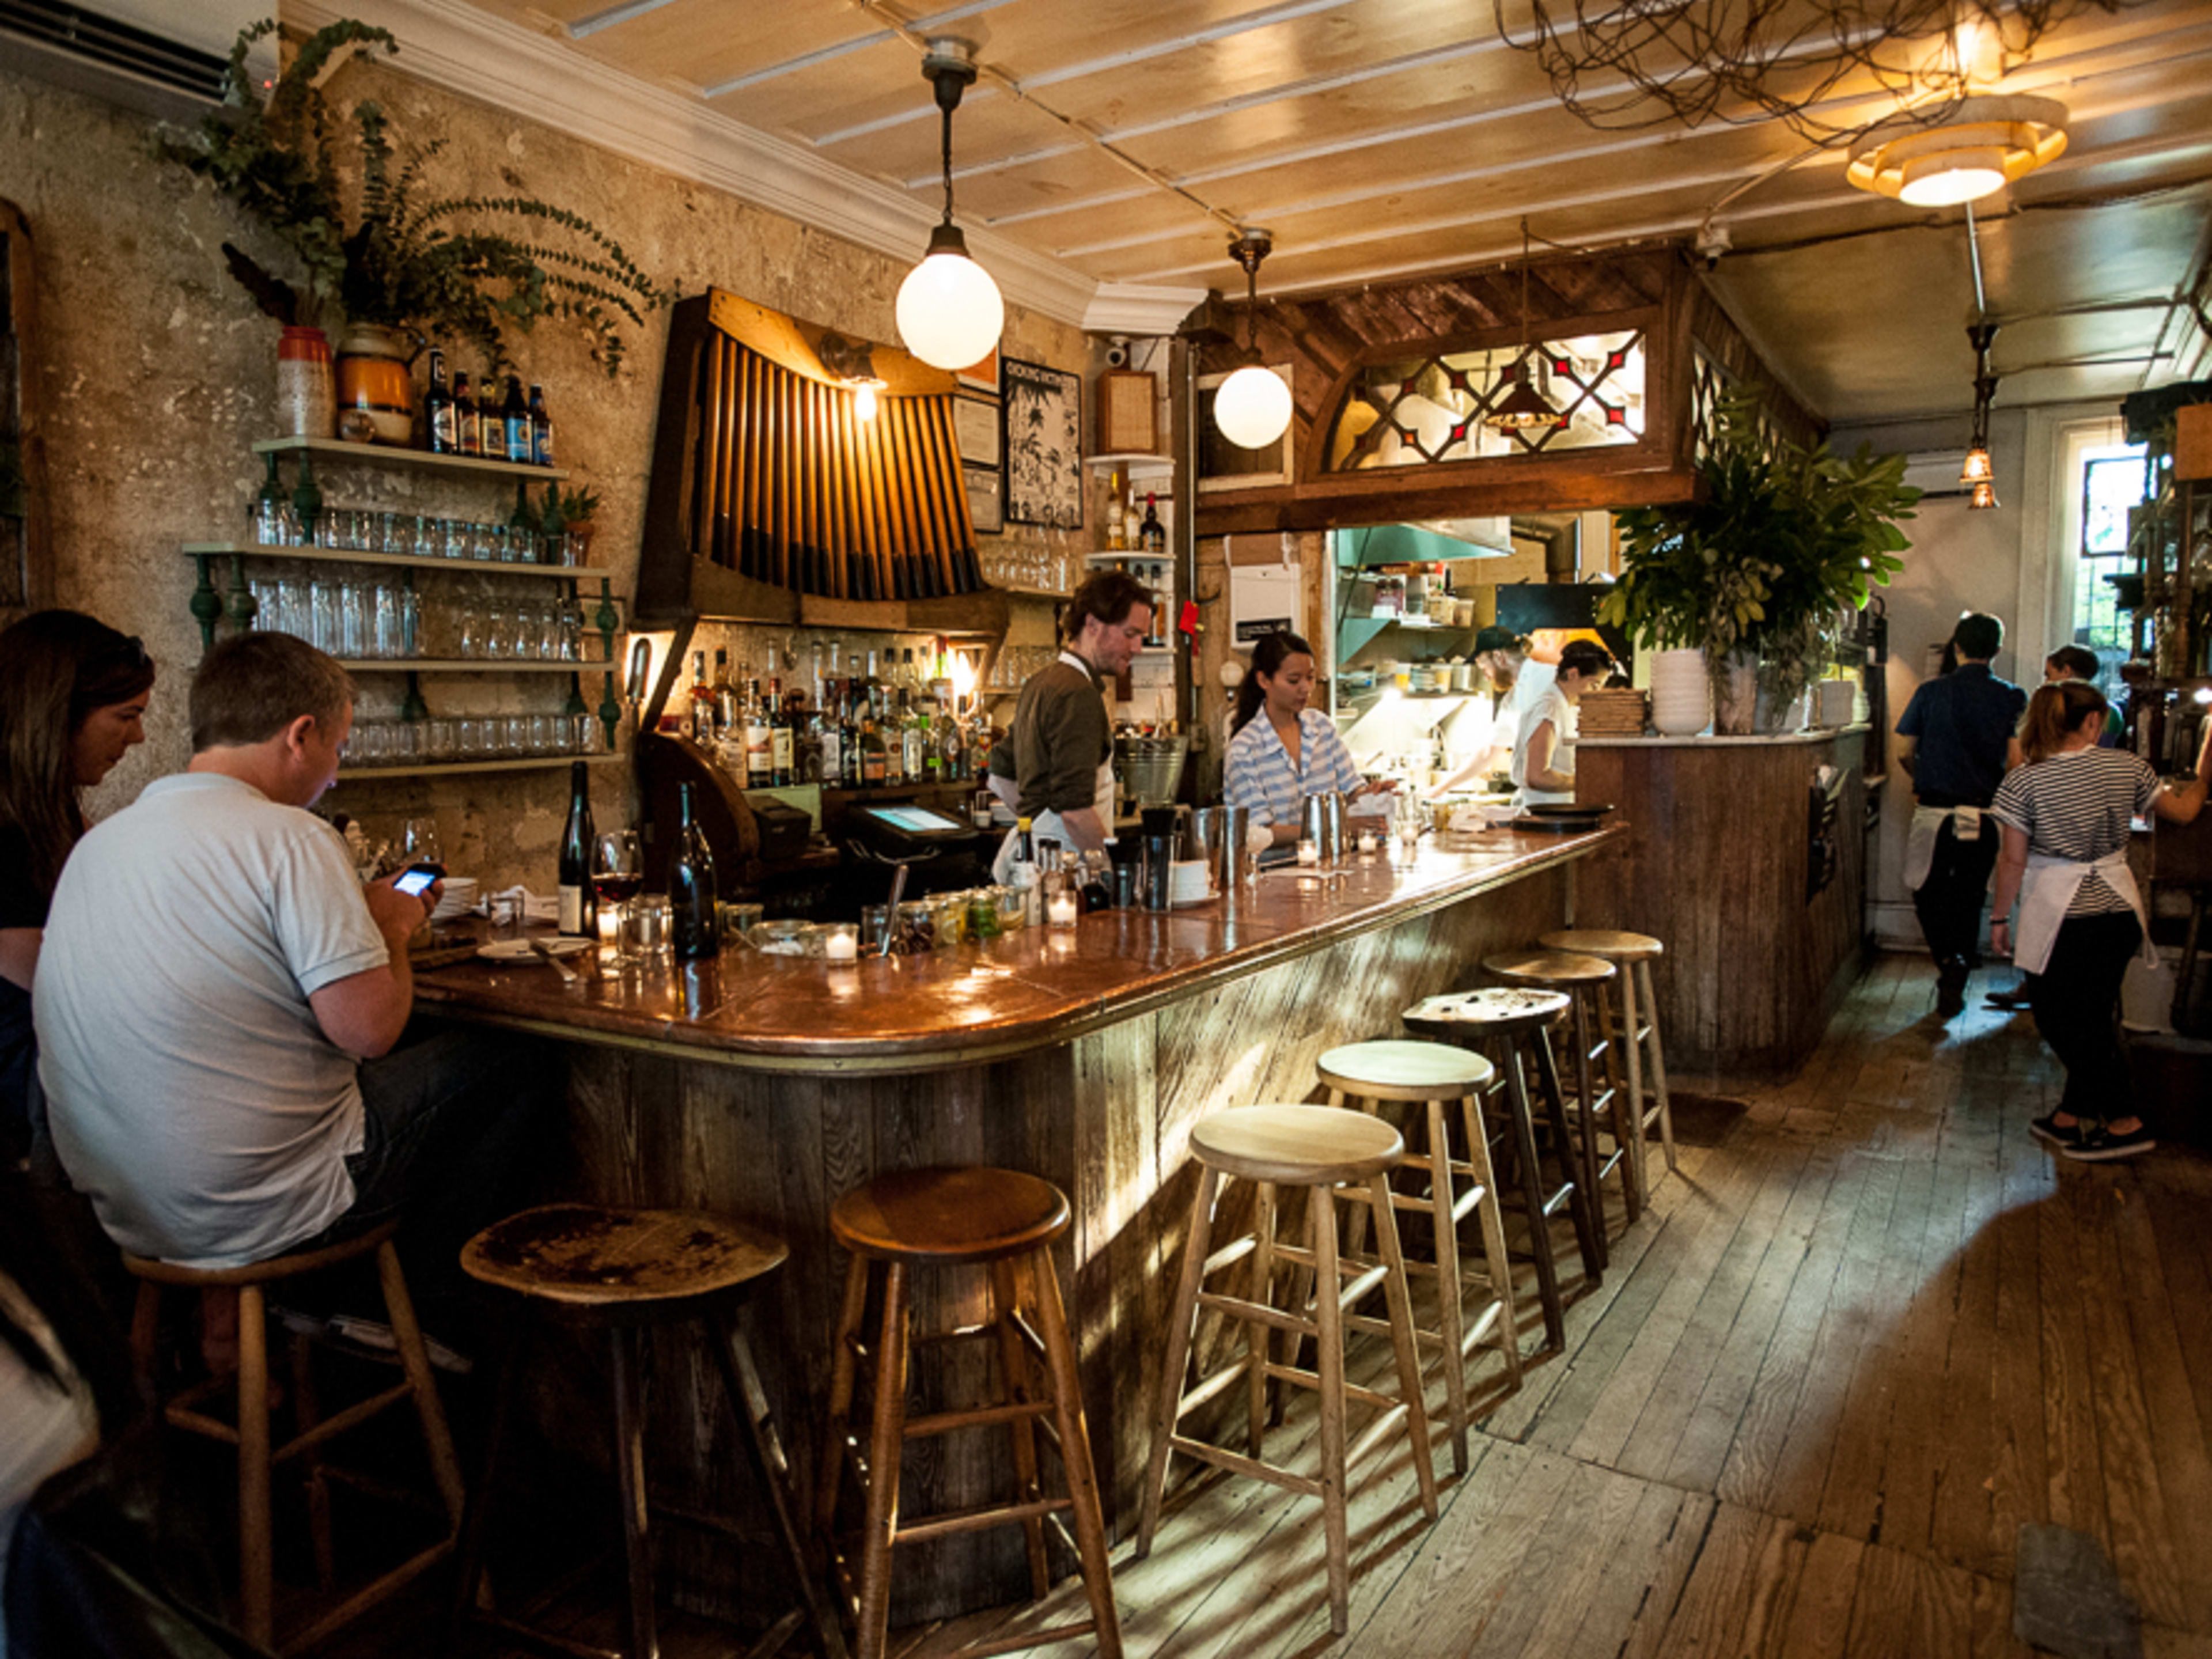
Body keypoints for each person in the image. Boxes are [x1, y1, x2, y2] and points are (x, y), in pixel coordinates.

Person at [36, 632, 544, 1282]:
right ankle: (420, 1321)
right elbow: (369, 1030)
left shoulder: (103, 843)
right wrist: (389, 928)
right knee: (515, 1060)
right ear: (299, 734)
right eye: (338, 748)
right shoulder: (294, 837)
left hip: (133, 1212)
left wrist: (348, 912)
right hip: (264, 1212)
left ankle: (284, 1321)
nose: (336, 772)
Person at [1988, 682, 2210, 1160]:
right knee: (2092, 1014)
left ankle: (2125, 1120)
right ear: (2092, 722)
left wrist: (2000, 916)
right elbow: (2185, 811)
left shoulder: (2024, 781)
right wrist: (2206, 774)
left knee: (2058, 1016)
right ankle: (2071, 1116)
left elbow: (2012, 862)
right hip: (2119, 909)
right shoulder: (2128, 766)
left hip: (2061, 912)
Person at [0, 611, 156, 1168]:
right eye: (126, 716)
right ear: (58, 714)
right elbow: (59, 981)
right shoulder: (9, 831)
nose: (137, 737)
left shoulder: (52, 812)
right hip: (32, 1105)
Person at [1895, 612, 2025, 1017]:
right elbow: (2016, 764)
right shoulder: (2012, 696)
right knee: (1969, 898)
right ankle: (1961, 967)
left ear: (1957, 646)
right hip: (1985, 814)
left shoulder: (1930, 691)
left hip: (1934, 812)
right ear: (1998, 649)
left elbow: (1903, 751)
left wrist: (1924, 777)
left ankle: (1950, 962)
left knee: (1925, 889)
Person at [994, 569, 1153, 880]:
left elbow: (1000, 775)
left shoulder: (1041, 682)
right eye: (1130, 634)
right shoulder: (1079, 694)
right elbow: (1075, 812)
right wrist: (1111, 872)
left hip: (1032, 863)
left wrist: (1036, 828)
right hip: (1066, 872)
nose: (1138, 649)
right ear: (1092, 624)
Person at [1988, 644, 2121, 1012]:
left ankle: (2041, 989)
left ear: (2066, 672)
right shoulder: (2112, 724)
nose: (2045, 682)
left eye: (2049, 674)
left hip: (2060, 858)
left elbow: (2021, 766)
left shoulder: (2055, 741)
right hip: (2108, 878)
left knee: (2050, 923)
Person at [1224, 631, 1394, 847]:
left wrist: (1370, 794)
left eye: (1310, 678)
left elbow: (1350, 791)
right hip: (1273, 873)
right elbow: (1261, 832)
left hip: (1328, 867)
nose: (1306, 688)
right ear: (1264, 680)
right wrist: (1336, 828)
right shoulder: (1245, 749)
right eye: (1294, 680)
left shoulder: (1321, 727)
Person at [1510, 638, 1615, 807]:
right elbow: (1537, 776)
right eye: (1594, 686)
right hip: (1544, 812)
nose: (1595, 694)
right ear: (1573, 674)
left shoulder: (1567, 707)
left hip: (1560, 810)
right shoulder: (1549, 708)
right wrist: (1585, 782)